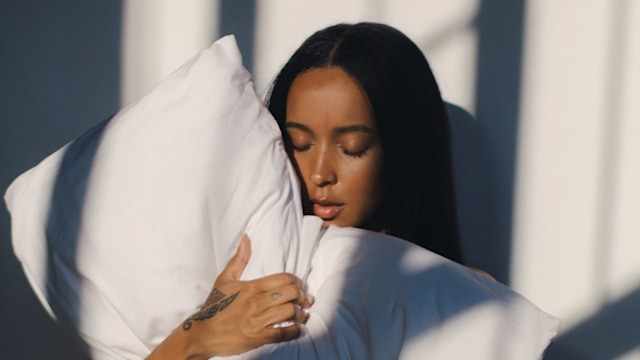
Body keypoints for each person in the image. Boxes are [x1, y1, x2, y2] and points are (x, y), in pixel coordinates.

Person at [148, 22, 464, 359]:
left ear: (406, 151)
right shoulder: (240, 270)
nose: (319, 173)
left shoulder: (460, 297)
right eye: (300, 144)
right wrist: (197, 337)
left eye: (352, 148)